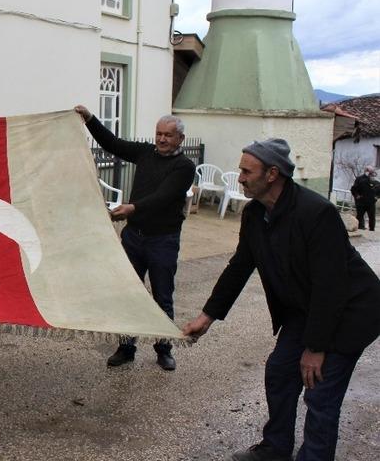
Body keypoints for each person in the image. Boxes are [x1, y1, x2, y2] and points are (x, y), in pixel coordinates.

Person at [183, 138, 380, 461]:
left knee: (320, 393)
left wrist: (315, 348)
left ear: (272, 174)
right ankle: (275, 448)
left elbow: (330, 286)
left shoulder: (316, 213)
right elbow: (239, 267)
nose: (240, 177)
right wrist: (207, 317)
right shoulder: (255, 214)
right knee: (280, 372)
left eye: (247, 172)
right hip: (306, 309)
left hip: (350, 312)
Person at [75, 105, 195, 371]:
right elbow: (112, 143)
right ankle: (126, 348)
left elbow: (164, 196)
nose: (162, 139)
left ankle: (164, 349)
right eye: (159, 133)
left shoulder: (184, 167)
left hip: (163, 241)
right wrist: (90, 119)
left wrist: (132, 208)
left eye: (168, 135)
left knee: (162, 297)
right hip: (134, 238)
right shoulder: (145, 153)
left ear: (180, 139)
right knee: (128, 294)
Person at [350, 166, 378, 231]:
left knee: (372, 216)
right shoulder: (359, 179)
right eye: (370, 172)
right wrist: (357, 196)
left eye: (372, 172)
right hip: (361, 201)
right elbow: (353, 189)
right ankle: (360, 227)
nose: (371, 173)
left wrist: (376, 197)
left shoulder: (375, 181)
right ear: (366, 171)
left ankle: (372, 229)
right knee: (360, 216)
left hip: (371, 202)